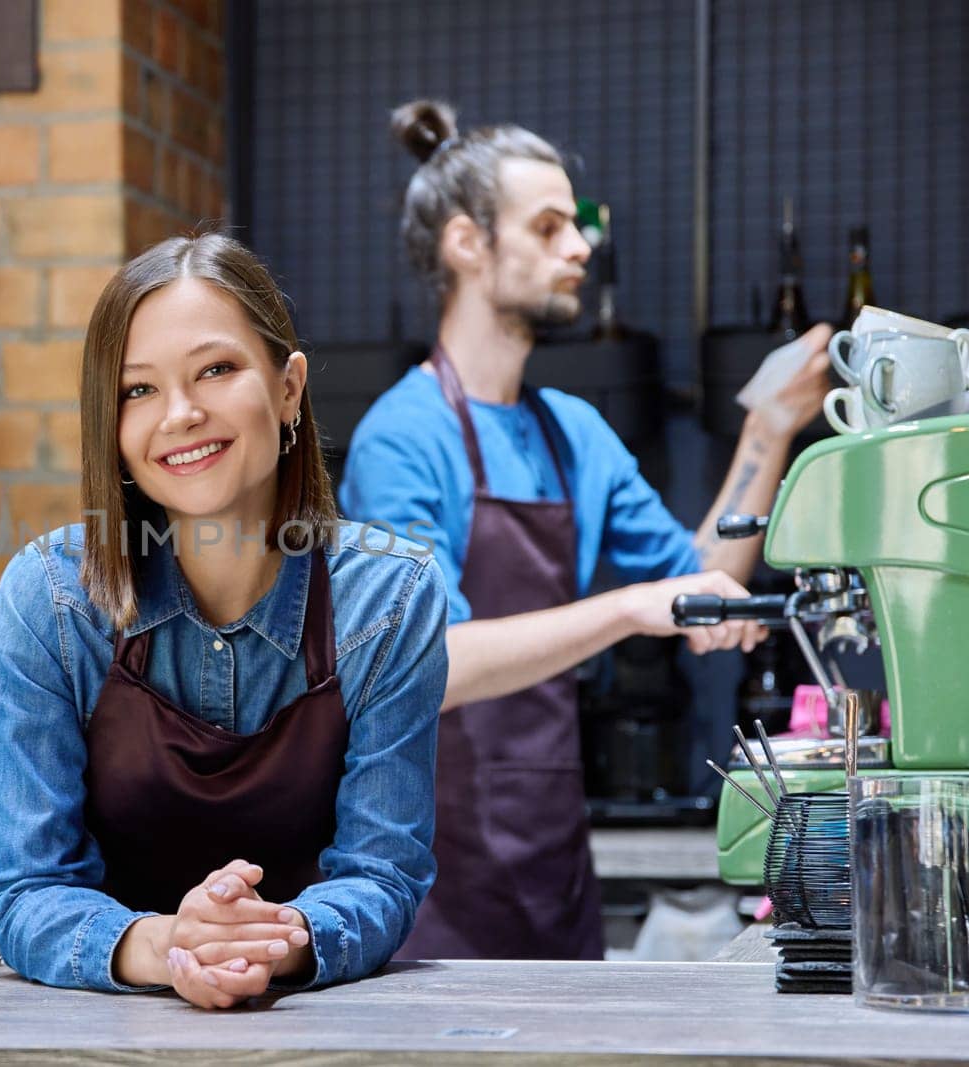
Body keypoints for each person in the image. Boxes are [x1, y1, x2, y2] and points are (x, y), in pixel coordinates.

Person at [338, 101, 833, 961]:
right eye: (551, 225)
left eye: (580, 224)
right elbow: (430, 667)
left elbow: (698, 587)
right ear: (468, 244)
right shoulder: (401, 438)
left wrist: (767, 427)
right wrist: (626, 608)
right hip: (429, 881)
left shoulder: (573, 431)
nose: (582, 246)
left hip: (555, 865)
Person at [0, 232, 448, 1007]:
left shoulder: (389, 599)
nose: (182, 415)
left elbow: (382, 873)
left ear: (289, 386)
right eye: (139, 391)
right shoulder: (53, 598)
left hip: (301, 1022)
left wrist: (268, 941)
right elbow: (26, 888)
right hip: (67, 1023)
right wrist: (167, 944)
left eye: (217, 370)